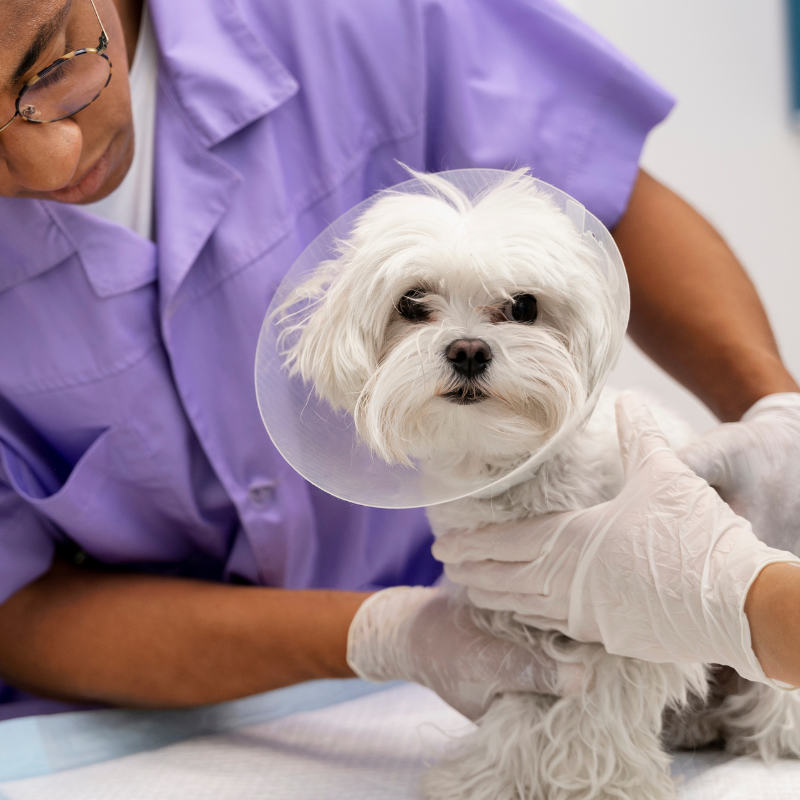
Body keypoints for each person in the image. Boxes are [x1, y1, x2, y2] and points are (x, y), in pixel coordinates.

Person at [0, 0, 798, 722]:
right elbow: (17, 609)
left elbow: (596, 196)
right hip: (147, 706)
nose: (50, 163)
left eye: (56, 65)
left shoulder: (360, 18)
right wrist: (393, 634)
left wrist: (777, 417)